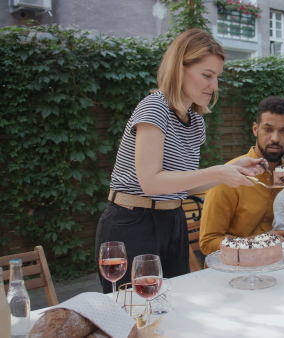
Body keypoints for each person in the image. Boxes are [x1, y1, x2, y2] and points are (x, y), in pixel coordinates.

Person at [95, 29, 267, 293]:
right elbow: (151, 182)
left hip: (173, 220)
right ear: (179, 68)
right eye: (207, 76)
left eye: (217, 77)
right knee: (134, 316)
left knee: (173, 309)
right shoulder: (154, 108)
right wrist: (218, 173)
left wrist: (232, 170)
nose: (215, 86)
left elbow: (182, 187)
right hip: (132, 223)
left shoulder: (195, 122)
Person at [199, 96, 284, 255]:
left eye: (283, 131)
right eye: (268, 129)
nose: (275, 138)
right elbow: (208, 243)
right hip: (234, 271)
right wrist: (261, 241)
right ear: (255, 129)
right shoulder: (229, 175)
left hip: (281, 264)